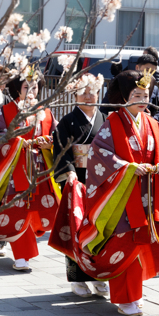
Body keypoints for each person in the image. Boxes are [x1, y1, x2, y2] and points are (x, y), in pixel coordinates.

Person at [58, 70, 159, 316]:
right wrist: (128, 168)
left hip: (147, 193)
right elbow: (101, 154)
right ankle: (124, 297)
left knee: (141, 242)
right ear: (124, 97)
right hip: (121, 195)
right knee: (123, 241)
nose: (142, 99)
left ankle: (133, 294)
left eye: (146, 95)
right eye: (137, 95)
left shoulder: (152, 124)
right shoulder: (113, 124)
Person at [0, 71, 59, 270]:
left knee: (38, 208)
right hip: (15, 168)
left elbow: (55, 135)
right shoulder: (7, 111)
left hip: (40, 168)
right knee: (16, 210)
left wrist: (49, 144)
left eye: (35, 86)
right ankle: (22, 256)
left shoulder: (45, 111)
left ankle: (27, 248)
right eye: (27, 86)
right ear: (17, 88)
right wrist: (19, 143)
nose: (31, 90)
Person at [48, 73, 109, 297]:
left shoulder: (105, 119)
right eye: (83, 92)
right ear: (75, 95)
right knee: (77, 227)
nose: (88, 96)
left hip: (100, 180)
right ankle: (77, 278)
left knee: (100, 228)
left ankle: (99, 275)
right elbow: (61, 150)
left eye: (92, 92)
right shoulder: (67, 122)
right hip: (78, 180)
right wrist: (70, 173)